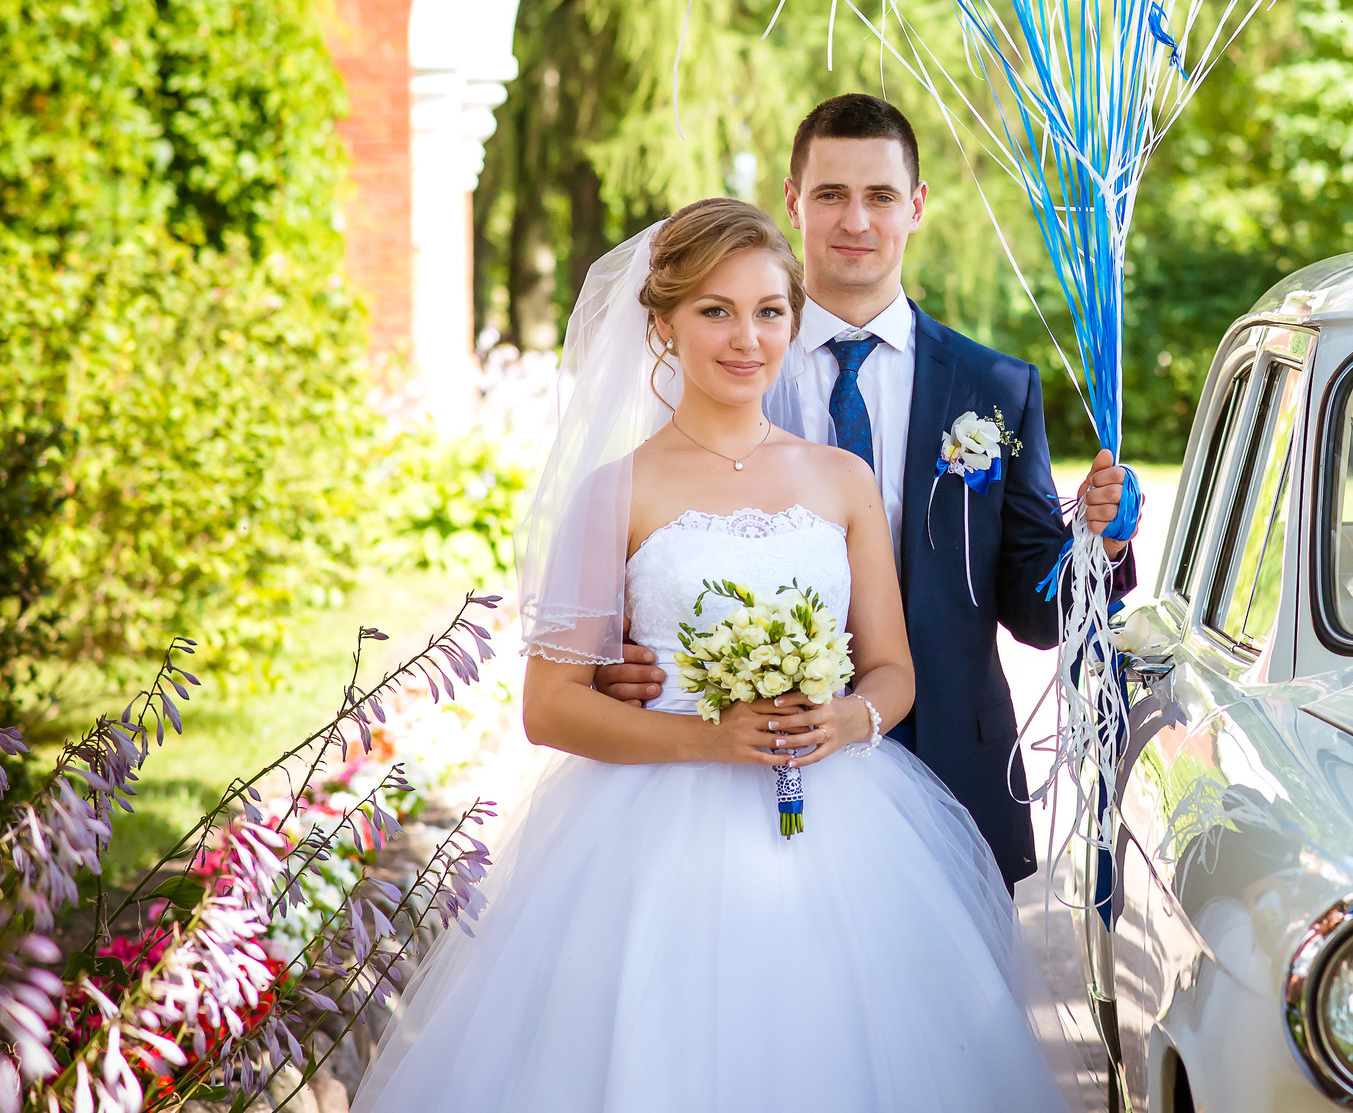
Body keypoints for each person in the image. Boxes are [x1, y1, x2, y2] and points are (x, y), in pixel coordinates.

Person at [352, 199, 1069, 1113]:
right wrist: (710, 740)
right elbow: (549, 706)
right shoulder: (616, 493)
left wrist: (852, 717)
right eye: (715, 311)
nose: (747, 338)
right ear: (663, 324)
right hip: (655, 835)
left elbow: (892, 669)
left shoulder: (839, 480)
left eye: (770, 311)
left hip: (843, 818)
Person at [592, 94, 1134, 888]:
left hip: (952, 767)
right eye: (831, 195)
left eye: (880, 196)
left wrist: (1099, 548)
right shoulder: (726, 362)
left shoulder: (993, 387)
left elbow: (1031, 607)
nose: (855, 220)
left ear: (915, 206)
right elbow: (643, 549)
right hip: (742, 782)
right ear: (792, 201)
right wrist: (621, 665)